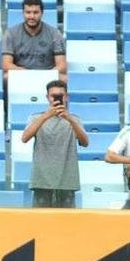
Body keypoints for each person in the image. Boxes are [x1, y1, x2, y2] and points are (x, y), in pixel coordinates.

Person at [21, 79, 88, 208]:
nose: (56, 99)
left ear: (66, 97)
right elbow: (25, 138)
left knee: (67, 224)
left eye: (60, 96)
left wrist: (69, 118)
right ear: (47, 97)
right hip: (41, 179)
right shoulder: (35, 117)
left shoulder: (75, 119)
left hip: (67, 179)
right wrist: (46, 116)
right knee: (40, 222)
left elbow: (85, 142)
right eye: (53, 96)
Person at [1, 0, 67, 79]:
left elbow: (62, 66)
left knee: (64, 78)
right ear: (23, 13)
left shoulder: (55, 33)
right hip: (21, 75)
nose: (32, 16)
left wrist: (44, 76)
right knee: (5, 77)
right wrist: (29, 74)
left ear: (42, 13)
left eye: (36, 12)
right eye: (28, 12)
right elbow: (6, 65)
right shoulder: (11, 33)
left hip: (47, 76)